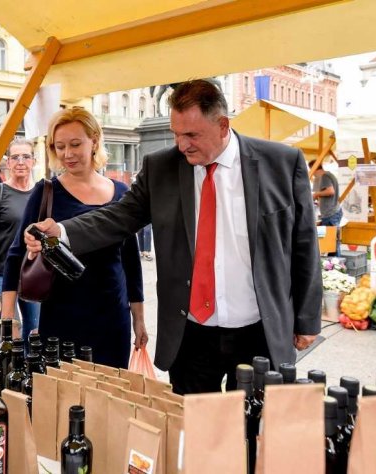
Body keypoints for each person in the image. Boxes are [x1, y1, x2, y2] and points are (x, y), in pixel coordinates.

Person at [25, 80, 321, 394]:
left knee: (253, 428)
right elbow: (118, 216)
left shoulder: (281, 163)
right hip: (191, 335)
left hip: (258, 331)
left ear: (223, 126)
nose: (182, 145)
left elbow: (304, 244)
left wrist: (307, 319)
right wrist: (64, 231)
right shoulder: (161, 168)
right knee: (192, 431)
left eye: (192, 135)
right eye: (176, 134)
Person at [3, 108, 147, 368]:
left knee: (108, 397)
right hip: (61, 318)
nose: (67, 154)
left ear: (94, 140)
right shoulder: (45, 192)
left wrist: (139, 318)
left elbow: (130, 260)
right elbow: (15, 256)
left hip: (112, 318)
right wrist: (8, 320)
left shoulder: (122, 192)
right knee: (60, 399)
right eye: (60, 146)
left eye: (75, 144)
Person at [0, 137, 40, 339]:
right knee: (9, 331)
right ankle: (14, 370)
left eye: (26, 156)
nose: (20, 162)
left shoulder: (42, 192)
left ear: (34, 161)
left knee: (35, 329)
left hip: (33, 272)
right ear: (8, 162)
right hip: (2, 274)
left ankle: (33, 370)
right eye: (15, 157)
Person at [311, 163, 342, 256]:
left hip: (330, 213)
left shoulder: (325, 176)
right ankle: (335, 264)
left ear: (315, 169)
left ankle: (336, 264)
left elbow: (330, 191)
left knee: (332, 243)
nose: (313, 175)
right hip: (333, 212)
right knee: (332, 242)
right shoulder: (330, 175)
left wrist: (316, 194)